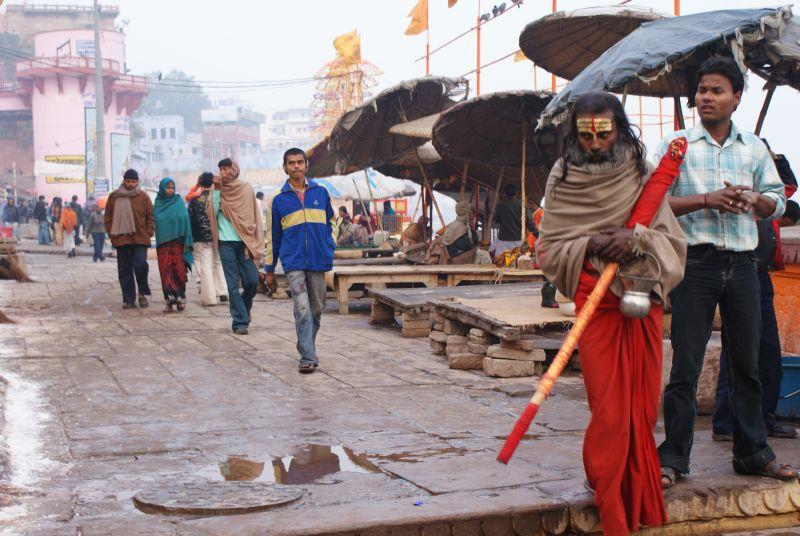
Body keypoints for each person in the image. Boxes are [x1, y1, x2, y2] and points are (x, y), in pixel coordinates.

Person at [536, 92, 688, 536]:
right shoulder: (561, 178)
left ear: (619, 129)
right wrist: (592, 245)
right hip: (594, 298)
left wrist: (635, 238)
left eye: (605, 132)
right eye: (586, 134)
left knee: (641, 408)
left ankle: (635, 494)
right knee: (608, 409)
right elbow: (548, 247)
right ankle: (610, 496)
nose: (596, 142)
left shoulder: (641, 173)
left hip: (640, 299)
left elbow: (669, 239)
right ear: (576, 133)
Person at [657, 56, 796, 487]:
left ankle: (751, 452)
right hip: (694, 265)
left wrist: (756, 201)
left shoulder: (754, 148)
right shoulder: (677, 144)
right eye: (702, 90)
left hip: (742, 266)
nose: (706, 98)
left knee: (748, 365)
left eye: (717, 90)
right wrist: (707, 199)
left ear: (736, 98)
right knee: (685, 366)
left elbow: (777, 200)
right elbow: (652, 203)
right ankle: (674, 457)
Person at [265, 148, 335, 374]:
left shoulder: (321, 193)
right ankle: (307, 356)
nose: (296, 166)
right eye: (291, 163)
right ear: (285, 167)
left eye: (299, 162)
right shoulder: (278, 200)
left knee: (316, 308)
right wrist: (269, 268)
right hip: (293, 262)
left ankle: (306, 344)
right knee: (302, 307)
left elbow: (331, 224)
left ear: (306, 165)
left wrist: (328, 246)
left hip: (318, 260)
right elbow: (272, 238)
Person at [211, 158, 264, 334]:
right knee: (232, 284)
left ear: (235, 169)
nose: (224, 172)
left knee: (252, 281)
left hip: (244, 242)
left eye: (227, 168)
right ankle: (240, 322)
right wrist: (218, 191)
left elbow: (251, 216)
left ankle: (244, 308)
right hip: (225, 243)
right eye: (221, 169)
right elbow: (212, 212)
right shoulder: (216, 190)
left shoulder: (246, 188)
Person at [105, 169, 154, 309]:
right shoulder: (114, 197)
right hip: (121, 240)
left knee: (141, 266)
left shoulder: (143, 196)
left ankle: (142, 294)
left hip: (140, 239)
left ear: (137, 182)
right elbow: (108, 217)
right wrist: (112, 235)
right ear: (124, 181)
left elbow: (150, 216)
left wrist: (148, 232)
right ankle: (128, 299)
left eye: (133, 181)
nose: (130, 184)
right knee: (124, 270)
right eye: (128, 181)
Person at [187, 172, 228, 306]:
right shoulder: (217, 198)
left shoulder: (194, 201)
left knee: (206, 267)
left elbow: (190, 221)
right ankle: (222, 292)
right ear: (212, 183)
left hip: (202, 238)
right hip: (218, 236)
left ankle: (209, 298)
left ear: (200, 184)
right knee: (218, 263)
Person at [154, 178, 193, 312]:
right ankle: (169, 301)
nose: (170, 190)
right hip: (163, 246)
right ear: (162, 188)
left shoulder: (179, 202)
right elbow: (157, 221)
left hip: (178, 244)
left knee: (179, 272)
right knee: (166, 272)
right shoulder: (158, 203)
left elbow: (185, 218)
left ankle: (181, 298)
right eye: (167, 187)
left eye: (172, 188)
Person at [490, 184, 535, 258]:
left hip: (504, 241)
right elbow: (530, 223)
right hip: (518, 241)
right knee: (519, 263)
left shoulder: (500, 205)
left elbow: (496, 220)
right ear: (516, 193)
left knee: (501, 264)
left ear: (505, 193)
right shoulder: (522, 205)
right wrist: (537, 234)